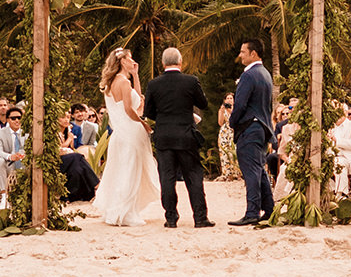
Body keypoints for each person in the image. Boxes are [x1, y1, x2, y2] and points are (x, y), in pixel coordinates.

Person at [143, 47, 212, 229]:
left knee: (167, 177)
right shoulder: (190, 81)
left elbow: (148, 112)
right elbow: (203, 104)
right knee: (193, 175)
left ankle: (171, 218)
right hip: (186, 135)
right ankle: (200, 217)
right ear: (180, 62)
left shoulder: (154, 84)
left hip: (164, 135)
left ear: (163, 63)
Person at [95, 47, 161, 226]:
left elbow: (137, 98)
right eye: (130, 58)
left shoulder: (115, 82)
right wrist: (143, 123)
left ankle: (122, 209)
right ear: (122, 61)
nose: (133, 61)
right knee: (129, 171)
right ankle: (125, 212)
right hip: (129, 131)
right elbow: (129, 109)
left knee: (122, 170)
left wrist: (136, 75)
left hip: (120, 134)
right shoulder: (122, 82)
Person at [229, 39, 275, 226]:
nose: (240, 55)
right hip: (263, 127)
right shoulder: (265, 74)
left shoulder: (249, 76)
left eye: (243, 52)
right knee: (259, 170)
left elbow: (240, 104)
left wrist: (232, 121)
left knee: (251, 172)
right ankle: (270, 209)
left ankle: (252, 212)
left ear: (253, 53)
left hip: (250, 127)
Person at [58, 113, 99, 202]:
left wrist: (70, 138)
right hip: (57, 162)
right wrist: (69, 139)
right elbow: (58, 150)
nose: (66, 120)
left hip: (68, 162)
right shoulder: (54, 133)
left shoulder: (68, 133)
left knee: (77, 169)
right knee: (77, 157)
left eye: (68, 117)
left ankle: (69, 197)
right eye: (63, 117)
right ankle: (97, 184)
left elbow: (71, 148)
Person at [330, 101, 351, 195]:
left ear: (345, 112)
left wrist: (336, 140)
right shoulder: (331, 127)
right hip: (331, 156)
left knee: (339, 163)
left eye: (339, 111)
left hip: (348, 159)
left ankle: (341, 195)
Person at [0, 107, 26, 201]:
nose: (16, 120)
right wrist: (10, 156)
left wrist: (21, 155)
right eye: (13, 118)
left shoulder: (27, 133)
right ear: (7, 120)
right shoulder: (1, 133)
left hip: (23, 164)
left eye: (19, 118)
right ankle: (4, 196)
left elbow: (29, 149)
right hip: (8, 164)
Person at [217, 98, 241, 181]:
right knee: (225, 152)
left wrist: (230, 110)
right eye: (228, 98)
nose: (229, 100)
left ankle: (237, 173)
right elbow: (220, 122)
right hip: (225, 132)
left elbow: (237, 119)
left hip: (233, 131)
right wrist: (222, 111)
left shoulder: (237, 108)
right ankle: (227, 174)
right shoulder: (222, 109)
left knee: (234, 151)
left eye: (231, 98)